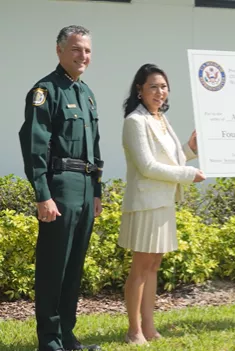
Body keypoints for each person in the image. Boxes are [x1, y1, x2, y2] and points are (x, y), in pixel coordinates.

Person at [18, 25, 103, 351]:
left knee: (73, 268)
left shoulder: (87, 95)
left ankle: (67, 336)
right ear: (60, 51)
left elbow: (94, 147)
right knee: (54, 266)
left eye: (88, 51)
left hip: (83, 187)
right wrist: (43, 195)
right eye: (77, 49)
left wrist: (96, 190)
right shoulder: (46, 91)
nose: (83, 56)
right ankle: (50, 341)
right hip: (60, 188)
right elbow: (34, 146)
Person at [118, 63, 206, 345]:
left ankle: (149, 327)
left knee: (153, 265)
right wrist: (188, 175)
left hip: (164, 201)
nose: (160, 92)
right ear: (139, 90)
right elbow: (147, 166)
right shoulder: (135, 121)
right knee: (140, 267)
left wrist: (189, 150)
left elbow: (169, 159)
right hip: (145, 204)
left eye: (164, 86)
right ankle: (134, 331)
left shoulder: (160, 119)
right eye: (153, 86)